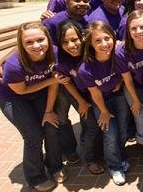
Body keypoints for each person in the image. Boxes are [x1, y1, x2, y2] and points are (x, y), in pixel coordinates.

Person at [0, 22, 68, 191]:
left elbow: (54, 85)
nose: (36, 45)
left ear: (48, 39)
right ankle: (35, 176)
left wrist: (49, 111)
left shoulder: (54, 53)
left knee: (51, 127)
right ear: (21, 44)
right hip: (13, 98)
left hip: (40, 92)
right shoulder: (15, 64)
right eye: (29, 42)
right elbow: (21, 90)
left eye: (40, 39)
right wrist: (51, 80)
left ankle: (55, 166)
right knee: (33, 136)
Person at [78, 21, 130, 186]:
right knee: (110, 133)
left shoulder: (118, 55)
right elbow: (95, 92)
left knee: (122, 130)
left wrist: (120, 83)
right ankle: (114, 166)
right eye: (98, 41)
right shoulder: (85, 68)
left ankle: (121, 157)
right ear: (91, 44)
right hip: (100, 102)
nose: (104, 44)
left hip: (119, 97)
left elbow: (124, 76)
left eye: (107, 38)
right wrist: (104, 112)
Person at [55, 20, 104, 175]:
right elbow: (67, 84)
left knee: (96, 124)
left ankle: (96, 150)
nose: (71, 45)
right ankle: (90, 159)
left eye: (74, 40)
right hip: (76, 94)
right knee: (92, 125)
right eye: (65, 42)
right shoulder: (62, 61)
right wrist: (81, 102)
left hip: (96, 92)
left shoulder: (92, 49)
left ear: (82, 36)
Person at [115, 11, 143, 173]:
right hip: (135, 88)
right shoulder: (122, 51)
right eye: (134, 28)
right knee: (141, 120)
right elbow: (127, 80)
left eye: (142, 27)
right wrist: (136, 101)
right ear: (128, 30)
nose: (139, 32)